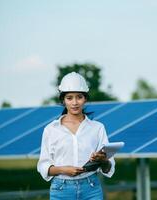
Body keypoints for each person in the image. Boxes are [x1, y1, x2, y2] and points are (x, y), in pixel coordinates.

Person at [37, 72, 115, 200]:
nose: (74, 102)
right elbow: (43, 167)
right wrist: (64, 170)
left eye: (79, 97)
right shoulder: (51, 130)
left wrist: (103, 160)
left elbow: (108, 168)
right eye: (69, 98)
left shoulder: (97, 128)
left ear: (85, 99)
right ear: (63, 100)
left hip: (91, 189)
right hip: (61, 190)